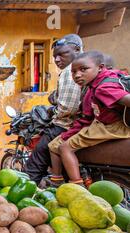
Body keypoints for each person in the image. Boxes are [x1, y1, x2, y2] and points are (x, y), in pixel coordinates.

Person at [47, 51, 130, 187]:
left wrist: (67, 135)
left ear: (100, 67)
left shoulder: (102, 88)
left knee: (65, 148)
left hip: (112, 127)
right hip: (103, 123)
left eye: (83, 69)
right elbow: (87, 116)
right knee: (55, 145)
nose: (77, 75)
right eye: (73, 72)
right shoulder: (97, 84)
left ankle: (77, 185)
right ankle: (57, 179)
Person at [23, 34, 83, 186]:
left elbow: (67, 109)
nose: (56, 60)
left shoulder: (72, 71)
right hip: (82, 124)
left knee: (36, 162)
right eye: (55, 56)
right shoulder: (87, 67)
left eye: (62, 54)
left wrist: (54, 113)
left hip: (64, 125)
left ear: (77, 49)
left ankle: (26, 189)